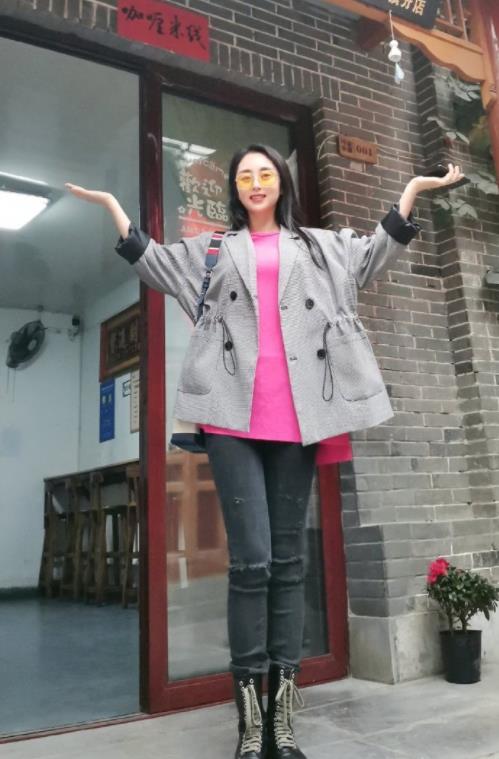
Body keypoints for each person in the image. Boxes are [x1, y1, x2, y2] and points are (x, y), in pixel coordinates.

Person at [66, 148, 463, 759]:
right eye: (245, 177)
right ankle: (250, 722)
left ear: (281, 184)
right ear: (235, 188)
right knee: (252, 563)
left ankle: (282, 719)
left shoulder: (320, 246)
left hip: (299, 418)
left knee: (289, 563)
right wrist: (115, 208)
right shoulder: (214, 249)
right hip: (232, 419)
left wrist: (410, 191)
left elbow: (373, 255)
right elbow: (155, 263)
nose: (255, 184)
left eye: (265, 174)